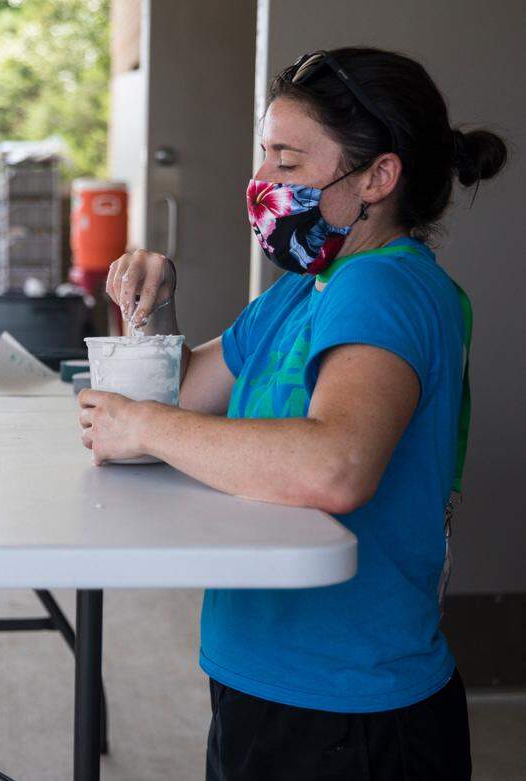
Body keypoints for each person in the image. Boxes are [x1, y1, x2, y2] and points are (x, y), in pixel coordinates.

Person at [78, 48, 508, 779]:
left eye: (288, 161)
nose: (262, 183)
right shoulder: (301, 290)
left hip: (350, 705)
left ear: (377, 177)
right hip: (271, 674)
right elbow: (181, 394)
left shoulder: (386, 288)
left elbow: (335, 465)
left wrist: (142, 427)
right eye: (264, 157)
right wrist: (157, 299)